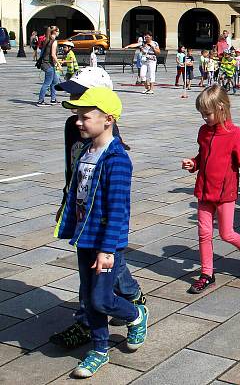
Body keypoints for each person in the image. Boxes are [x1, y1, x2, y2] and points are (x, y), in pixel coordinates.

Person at [54, 87, 149, 378]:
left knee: (101, 299)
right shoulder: (84, 151)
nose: (78, 122)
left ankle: (135, 314)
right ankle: (99, 349)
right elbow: (77, 192)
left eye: (85, 117)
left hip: (105, 243)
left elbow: (118, 210)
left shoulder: (116, 159)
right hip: (84, 237)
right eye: (77, 116)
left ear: (108, 119)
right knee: (88, 296)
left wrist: (108, 250)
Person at [181, 86, 240, 294]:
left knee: (226, 233)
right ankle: (207, 273)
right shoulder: (204, 131)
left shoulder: (235, 134)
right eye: (202, 114)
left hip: (225, 193)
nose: (204, 118)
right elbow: (203, 155)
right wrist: (194, 164)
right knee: (204, 232)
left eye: (207, 114)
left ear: (221, 108)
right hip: (204, 191)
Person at [36, 26, 62, 107]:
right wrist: (59, 64)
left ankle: (53, 99)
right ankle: (40, 101)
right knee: (47, 83)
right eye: (58, 31)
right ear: (55, 32)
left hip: (47, 63)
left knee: (54, 82)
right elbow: (53, 55)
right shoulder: (54, 41)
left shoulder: (47, 40)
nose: (59, 32)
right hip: (48, 64)